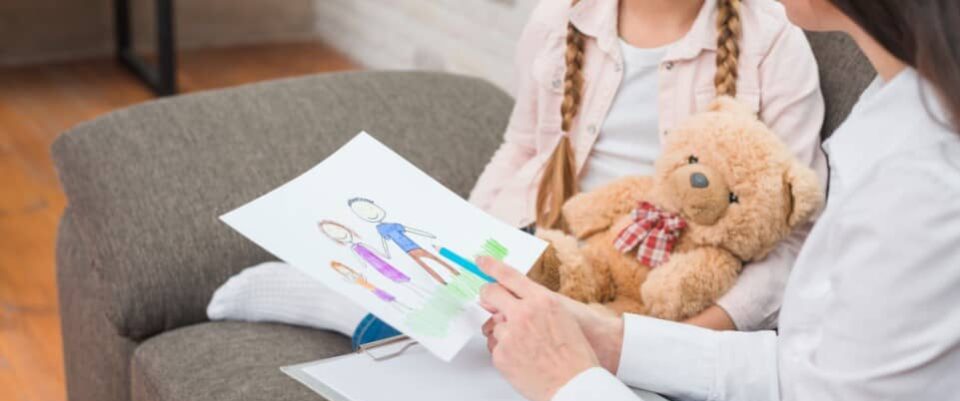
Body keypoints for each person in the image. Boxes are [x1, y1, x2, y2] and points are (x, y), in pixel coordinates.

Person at [469, 0, 960, 401]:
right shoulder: (896, 112)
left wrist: (571, 385)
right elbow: (814, 363)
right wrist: (615, 342)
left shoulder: (921, 199)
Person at [208, 0, 827, 353]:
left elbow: (797, 234)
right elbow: (521, 146)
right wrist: (467, 244)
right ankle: (363, 299)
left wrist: (695, 338)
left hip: (670, 292)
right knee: (481, 309)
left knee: (516, 346)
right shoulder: (561, 17)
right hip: (556, 246)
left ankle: (365, 318)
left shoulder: (774, 43)